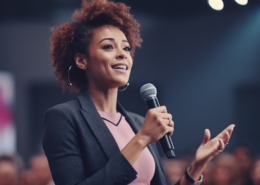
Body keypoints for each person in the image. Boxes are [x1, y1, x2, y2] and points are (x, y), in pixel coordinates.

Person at [42, 0, 235, 184]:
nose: (122, 54)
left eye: (126, 48)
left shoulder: (138, 123)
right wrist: (142, 139)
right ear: (82, 61)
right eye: (108, 46)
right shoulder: (63, 118)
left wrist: (197, 166)